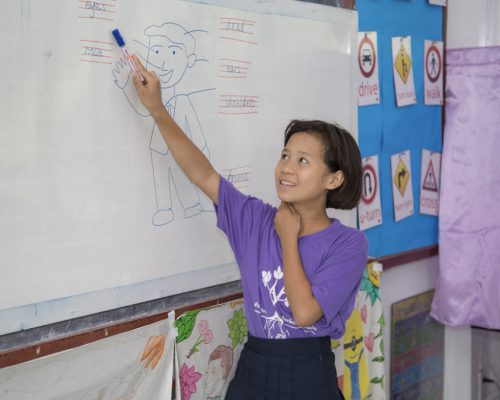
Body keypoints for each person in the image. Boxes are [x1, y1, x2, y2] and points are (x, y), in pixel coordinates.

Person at [130, 54, 368, 400]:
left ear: (334, 177)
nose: (286, 168)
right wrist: (158, 110)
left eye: (303, 161)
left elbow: (304, 313)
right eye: (285, 156)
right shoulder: (254, 219)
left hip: (307, 371)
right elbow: (204, 174)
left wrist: (288, 237)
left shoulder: (348, 244)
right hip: (254, 365)